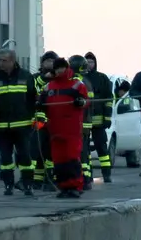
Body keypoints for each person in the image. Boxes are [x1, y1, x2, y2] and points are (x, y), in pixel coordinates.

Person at [0, 49, 37, 196]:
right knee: (5, 159)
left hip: (23, 126)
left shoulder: (26, 76)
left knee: (25, 157)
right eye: (0, 60)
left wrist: (37, 118)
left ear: (12, 60)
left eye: (4, 60)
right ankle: (8, 185)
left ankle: (27, 184)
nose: (1, 63)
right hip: (2, 127)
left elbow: (34, 100)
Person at [38, 57, 89, 198]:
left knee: (72, 158)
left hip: (71, 129)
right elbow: (41, 103)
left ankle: (76, 186)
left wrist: (81, 102)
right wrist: (39, 106)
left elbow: (87, 101)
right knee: (59, 160)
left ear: (67, 68)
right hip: (55, 129)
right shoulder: (49, 87)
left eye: (62, 67)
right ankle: (64, 186)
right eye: (57, 67)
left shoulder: (77, 85)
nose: (60, 70)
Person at [84, 52, 114, 183]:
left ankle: (106, 174)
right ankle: (87, 174)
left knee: (101, 147)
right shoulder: (79, 78)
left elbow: (109, 99)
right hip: (84, 121)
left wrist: (107, 117)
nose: (90, 64)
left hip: (99, 120)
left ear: (95, 63)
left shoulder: (102, 78)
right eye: (87, 62)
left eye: (91, 62)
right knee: (85, 149)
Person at [69, 55, 97, 189]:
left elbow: (86, 104)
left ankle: (85, 179)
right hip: (84, 123)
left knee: (82, 152)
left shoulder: (80, 82)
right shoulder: (86, 81)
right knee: (84, 152)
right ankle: (87, 176)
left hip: (81, 123)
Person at [31, 51, 58, 191]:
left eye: (52, 61)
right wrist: (44, 78)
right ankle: (36, 180)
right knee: (37, 151)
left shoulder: (58, 80)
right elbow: (33, 91)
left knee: (50, 153)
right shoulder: (36, 78)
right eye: (47, 61)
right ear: (42, 63)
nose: (50, 64)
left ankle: (50, 178)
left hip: (54, 121)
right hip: (38, 121)